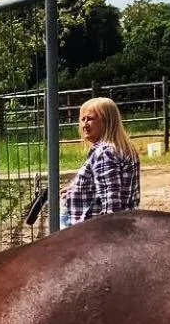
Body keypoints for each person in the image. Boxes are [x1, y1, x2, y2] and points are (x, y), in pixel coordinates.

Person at [60, 96, 140, 228]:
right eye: (82, 119)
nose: (84, 124)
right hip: (122, 219)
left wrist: (108, 233)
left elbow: (111, 201)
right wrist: (74, 189)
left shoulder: (104, 153)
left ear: (106, 121)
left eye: (90, 119)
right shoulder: (124, 148)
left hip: (84, 228)